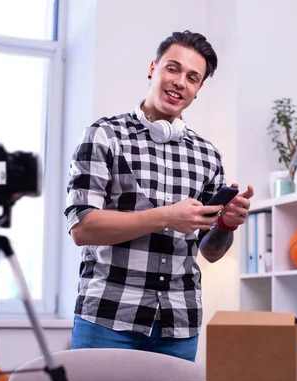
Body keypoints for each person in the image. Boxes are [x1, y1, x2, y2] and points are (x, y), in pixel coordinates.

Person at [64, 30, 253, 362]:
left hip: (178, 327)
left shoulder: (208, 155)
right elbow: (83, 228)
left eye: (192, 77)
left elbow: (210, 253)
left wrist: (226, 224)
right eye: (173, 69)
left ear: (199, 89)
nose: (180, 81)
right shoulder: (104, 136)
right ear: (153, 68)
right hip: (108, 320)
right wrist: (168, 216)